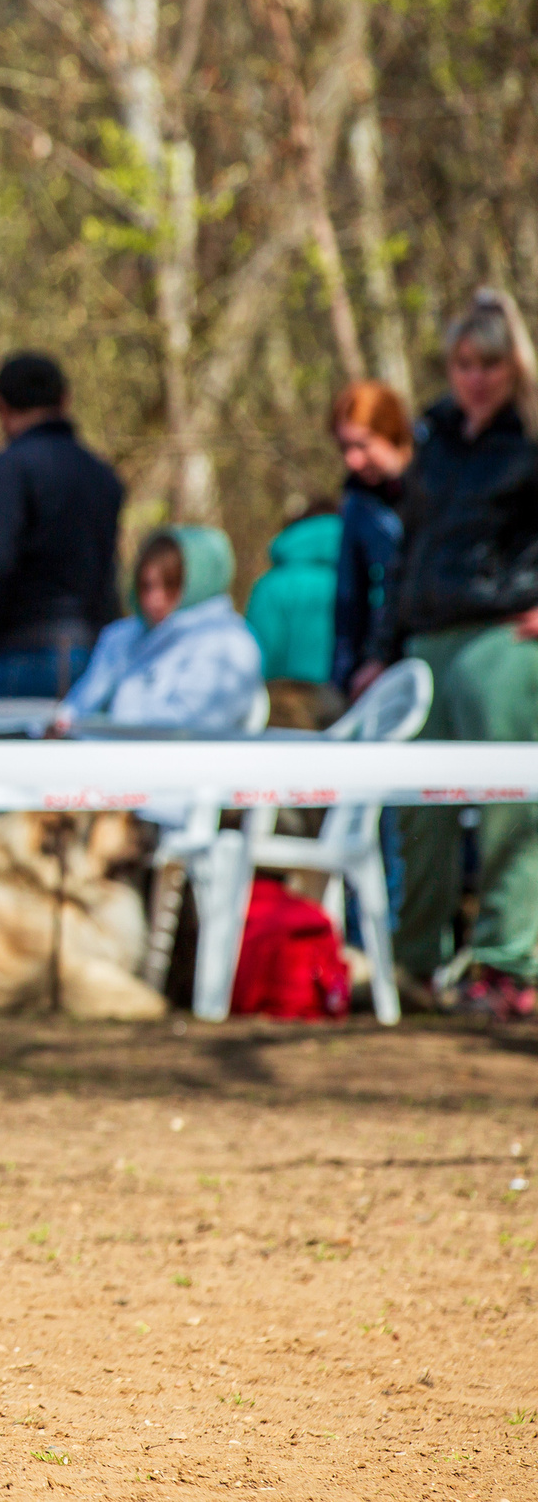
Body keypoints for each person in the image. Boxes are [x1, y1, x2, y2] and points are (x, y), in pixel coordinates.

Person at [364, 290, 538, 1021]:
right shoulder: (433, 437)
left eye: (489, 364)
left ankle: (508, 961)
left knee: (507, 805)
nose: (475, 378)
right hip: (425, 637)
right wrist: (381, 649)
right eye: (464, 363)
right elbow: (407, 549)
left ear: (514, 365)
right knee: (415, 806)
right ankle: (415, 960)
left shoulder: (529, 437)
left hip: (502, 638)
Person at [0, 351, 124, 699]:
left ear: (1, 407)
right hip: (90, 651)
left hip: (20, 652)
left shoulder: (10, 469)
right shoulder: (101, 475)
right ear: (65, 400)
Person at [52, 527, 264, 733]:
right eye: (146, 585)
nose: (154, 599)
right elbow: (77, 707)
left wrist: (105, 727)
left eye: (170, 584)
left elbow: (193, 728)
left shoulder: (229, 643)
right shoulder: (122, 636)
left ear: (199, 580)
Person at [329, 379, 411, 694]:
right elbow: (349, 604)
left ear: (392, 432)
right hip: (382, 667)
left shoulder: (437, 482)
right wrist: (345, 679)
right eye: (344, 448)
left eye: (362, 445)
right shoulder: (357, 507)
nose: (352, 461)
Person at [244, 506, 341, 686]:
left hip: (288, 693)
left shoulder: (272, 585)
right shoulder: (362, 580)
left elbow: (261, 652)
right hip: (354, 694)